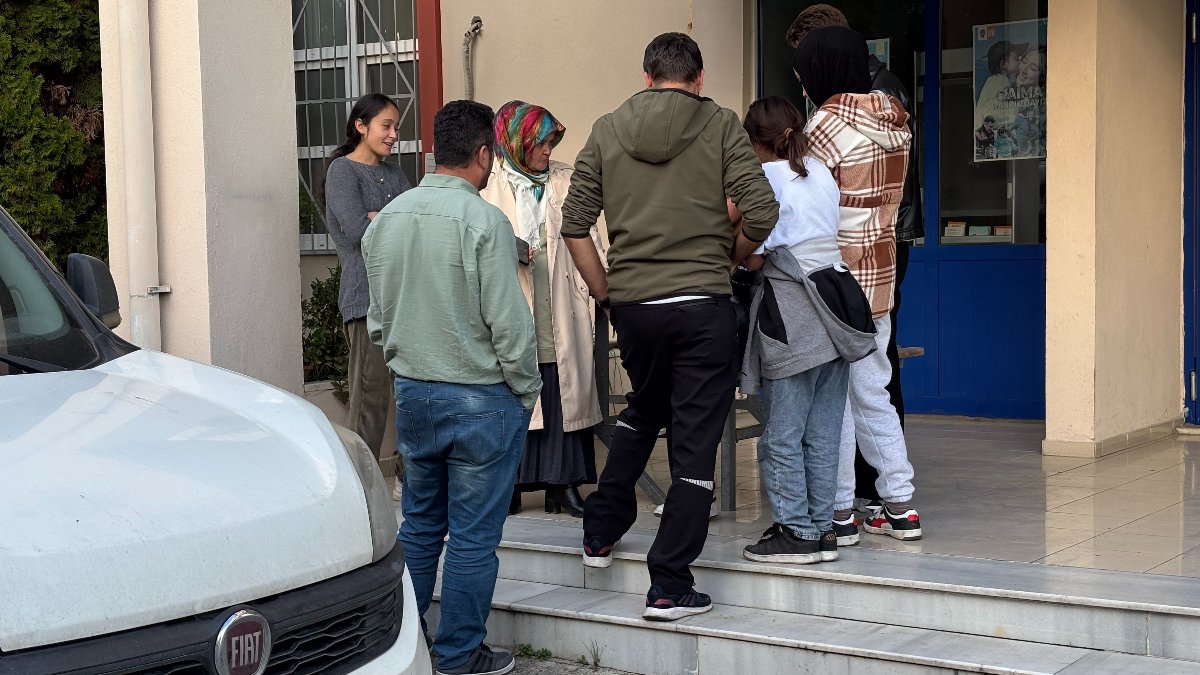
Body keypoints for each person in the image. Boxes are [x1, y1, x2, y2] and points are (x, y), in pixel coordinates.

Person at [561, 32, 779, 621]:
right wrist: (727, 258)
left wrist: (608, 292)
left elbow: (575, 224)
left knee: (646, 407)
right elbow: (762, 211)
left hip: (635, 307)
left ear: (647, 75)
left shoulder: (607, 129)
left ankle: (600, 531)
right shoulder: (721, 124)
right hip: (702, 305)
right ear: (699, 78)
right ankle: (669, 584)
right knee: (695, 442)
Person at [363, 99, 540, 675]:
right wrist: (526, 390)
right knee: (471, 538)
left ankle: (405, 650)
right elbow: (509, 326)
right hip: (482, 397)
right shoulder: (485, 222)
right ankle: (459, 655)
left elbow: (378, 322)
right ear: (484, 153)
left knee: (419, 528)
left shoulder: (387, 220)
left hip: (414, 391)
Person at [786, 4, 923, 518]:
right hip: (881, 274)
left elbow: (806, 202)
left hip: (837, 280)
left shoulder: (824, 126)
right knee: (874, 392)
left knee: (835, 402)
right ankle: (900, 502)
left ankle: (839, 509)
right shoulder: (894, 121)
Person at [733, 96, 876, 566]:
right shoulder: (820, 172)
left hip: (793, 313)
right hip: (837, 311)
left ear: (754, 141)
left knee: (782, 435)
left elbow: (754, 256)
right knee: (823, 433)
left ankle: (794, 531)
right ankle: (821, 529)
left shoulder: (763, 179)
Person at [479, 100, 606, 518]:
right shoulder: (488, 187)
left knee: (559, 387)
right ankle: (509, 486)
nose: (548, 152)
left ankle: (562, 485)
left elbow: (593, 237)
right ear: (516, 142)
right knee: (514, 391)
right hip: (513, 299)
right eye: (540, 144)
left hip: (560, 299)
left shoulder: (566, 180)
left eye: (552, 142)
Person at [321, 93, 411, 495]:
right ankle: (361, 487)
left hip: (404, 296)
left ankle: (409, 479)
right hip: (365, 299)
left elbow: (414, 225)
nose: (393, 134)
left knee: (411, 391)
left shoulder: (395, 173)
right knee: (370, 395)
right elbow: (359, 231)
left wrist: (379, 217)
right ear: (361, 126)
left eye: (396, 127)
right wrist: (384, 220)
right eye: (385, 126)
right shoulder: (342, 171)